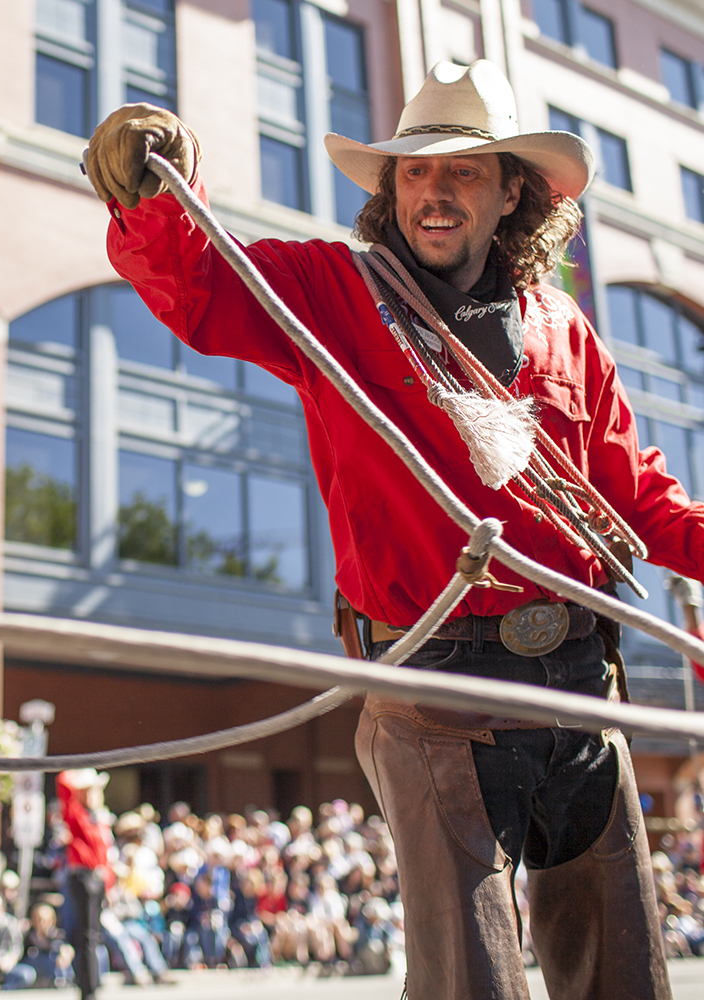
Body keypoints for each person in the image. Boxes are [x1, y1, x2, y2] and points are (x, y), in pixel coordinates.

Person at [85, 59, 679, 998]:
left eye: (463, 171)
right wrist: (152, 193)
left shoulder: (564, 328)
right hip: (435, 687)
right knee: (468, 981)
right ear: (392, 188)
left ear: (511, 193)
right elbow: (199, 288)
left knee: (626, 976)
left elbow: (639, 502)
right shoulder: (329, 289)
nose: (433, 191)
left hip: (581, 681)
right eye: (415, 170)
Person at [55, 768, 112, 1000]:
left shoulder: (97, 817)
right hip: (83, 877)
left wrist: (109, 885)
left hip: (97, 878)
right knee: (87, 935)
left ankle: (92, 985)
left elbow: (104, 856)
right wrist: (77, 772)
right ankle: (88, 990)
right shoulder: (76, 814)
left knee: (94, 935)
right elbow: (62, 784)